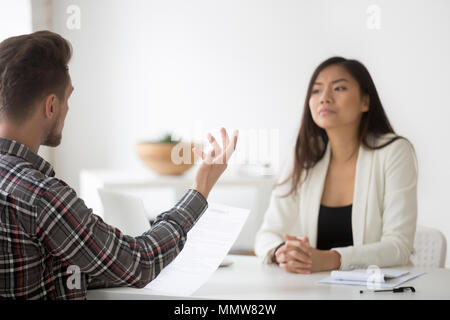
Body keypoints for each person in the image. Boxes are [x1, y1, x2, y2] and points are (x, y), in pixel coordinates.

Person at [0, 30, 238, 299]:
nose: (68, 108)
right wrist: (201, 188)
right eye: (68, 97)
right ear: (51, 105)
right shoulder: (40, 195)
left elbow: (50, 270)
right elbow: (141, 263)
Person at [255, 56, 417, 274]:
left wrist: (332, 259)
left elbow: (398, 246)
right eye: (316, 91)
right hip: (317, 289)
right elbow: (267, 234)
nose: (324, 98)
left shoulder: (394, 152)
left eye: (339, 88)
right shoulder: (304, 154)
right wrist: (281, 251)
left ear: (365, 102)